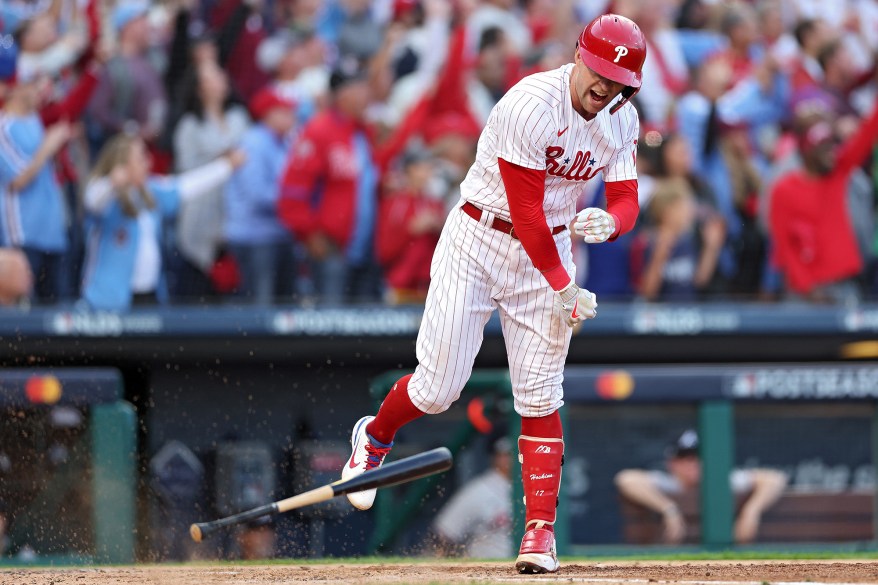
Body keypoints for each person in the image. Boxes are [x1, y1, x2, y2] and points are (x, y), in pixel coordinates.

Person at [340, 14, 645, 574]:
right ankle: (375, 435)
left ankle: (539, 534)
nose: (605, 88)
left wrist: (614, 222)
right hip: (481, 237)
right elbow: (526, 212)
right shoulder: (530, 103)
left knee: (540, 394)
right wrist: (564, 286)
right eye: (599, 72)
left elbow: (627, 195)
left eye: (618, 82)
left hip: (549, 249)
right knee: (438, 388)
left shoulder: (621, 118)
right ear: (579, 57)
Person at [80, 133, 245, 311]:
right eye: (141, 157)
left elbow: (187, 185)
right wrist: (112, 182)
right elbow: (92, 199)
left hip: (148, 296)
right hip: (107, 301)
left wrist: (226, 166)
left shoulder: (151, 191)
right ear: (123, 165)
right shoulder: (107, 197)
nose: (148, 161)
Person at [769, 97, 878, 302]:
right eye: (823, 147)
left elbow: (867, 134)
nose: (831, 152)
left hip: (844, 286)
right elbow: (784, 247)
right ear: (806, 150)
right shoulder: (783, 189)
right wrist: (808, 288)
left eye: (831, 145)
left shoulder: (839, 172)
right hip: (804, 296)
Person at [614, 429, 788, 545]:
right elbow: (626, 479)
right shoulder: (668, 482)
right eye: (685, 458)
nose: (693, 464)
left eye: (697, 457)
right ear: (672, 463)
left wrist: (751, 511)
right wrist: (668, 509)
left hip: (728, 556)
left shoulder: (721, 480)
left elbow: (775, 478)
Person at [0, 43, 71, 303]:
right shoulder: (4, 127)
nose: (37, 89)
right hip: (23, 234)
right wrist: (48, 146)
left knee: (57, 318)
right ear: (14, 89)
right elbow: (17, 180)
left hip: (53, 233)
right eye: (30, 83)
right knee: (23, 318)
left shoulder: (37, 120)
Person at [224, 88, 298, 305]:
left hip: (278, 235)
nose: (291, 116)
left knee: (283, 306)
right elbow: (257, 195)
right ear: (269, 113)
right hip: (254, 236)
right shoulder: (254, 142)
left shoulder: (283, 142)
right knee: (260, 307)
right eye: (285, 111)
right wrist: (295, 203)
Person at [432, 428, 513, 559]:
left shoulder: (536, 486)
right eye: (507, 454)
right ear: (495, 456)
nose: (512, 459)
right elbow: (445, 532)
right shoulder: (479, 490)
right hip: (488, 570)